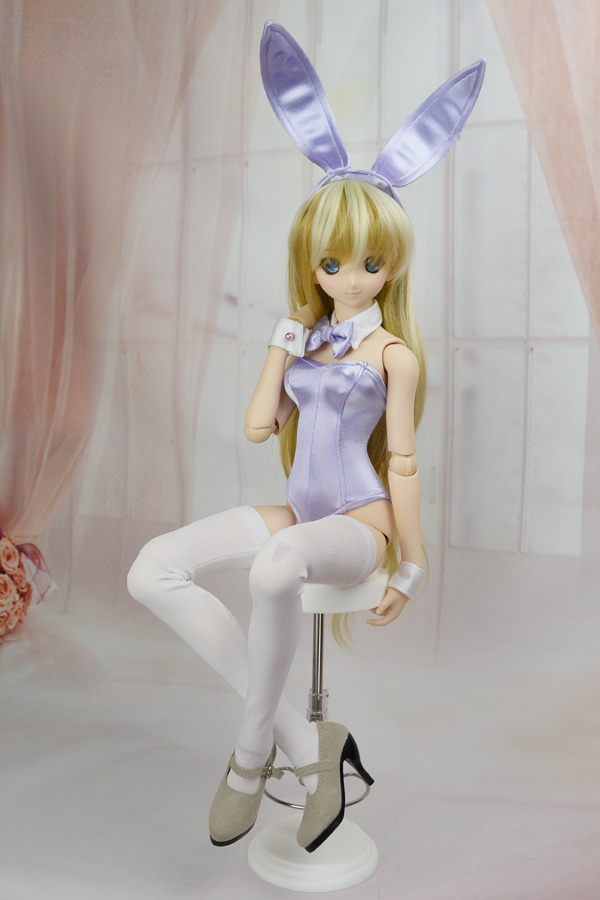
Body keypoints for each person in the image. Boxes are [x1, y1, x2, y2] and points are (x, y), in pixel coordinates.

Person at [127, 22, 485, 853]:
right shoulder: (309, 341)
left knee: (274, 564)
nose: (350, 279)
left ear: (390, 264)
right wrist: (280, 346)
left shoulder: (391, 355)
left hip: (358, 524)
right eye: (332, 264)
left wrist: (414, 560)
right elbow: (260, 427)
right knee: (152, 568)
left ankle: (252, 756)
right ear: (312, 264)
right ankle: (305, 741)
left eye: (368, 263)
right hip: (301, 513)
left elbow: (403, 463)